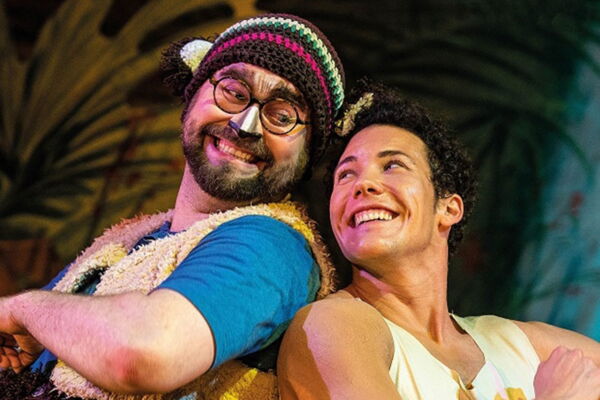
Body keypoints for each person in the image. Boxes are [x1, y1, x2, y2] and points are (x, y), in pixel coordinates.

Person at [0, 13, 345, 400]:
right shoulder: (126, 242)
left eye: (282, 116)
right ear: (191, 97)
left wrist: (25, 308)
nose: (246, 125)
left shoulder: (272, 246)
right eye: (233, 92)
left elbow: (140, 355)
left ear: (309, 156)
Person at [277, 81, 600, 400]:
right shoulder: (333, 326)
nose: (364, 184)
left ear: (449, 208)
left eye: (392, 165)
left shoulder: (519, 344)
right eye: (346, 175)